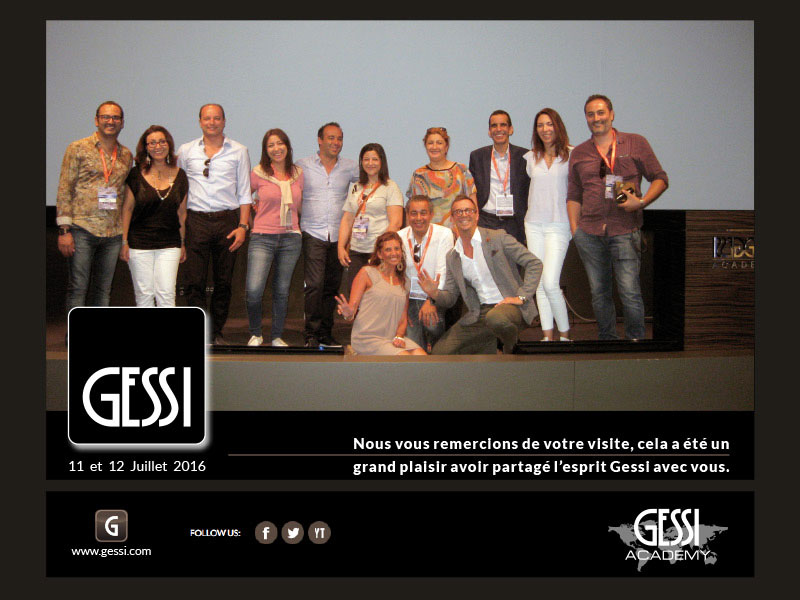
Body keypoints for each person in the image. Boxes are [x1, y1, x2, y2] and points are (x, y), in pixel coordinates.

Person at [567, 94, 669, 340]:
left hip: (624, 230)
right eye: (591, 114)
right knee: (599, 294)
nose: (596, 118)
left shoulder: (635, 143)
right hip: (589, 233)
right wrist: (575, 230)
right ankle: (607, 342)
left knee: (629, 292)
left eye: (601, 112)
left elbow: (660, 178)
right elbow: (573, 195)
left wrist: (642, 202)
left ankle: (635, 342)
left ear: (611, 114)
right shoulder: (579, 153)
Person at [419, 195, 542, 355]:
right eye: (458, 212)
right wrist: (434, 293)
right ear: (452, 219)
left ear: (477, 215)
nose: (464, 214)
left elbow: (534, 263)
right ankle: (491, 346)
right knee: (440, 353)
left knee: (496, 318)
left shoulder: (497, 237)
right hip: (480, 314)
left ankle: (510, 348)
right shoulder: (453, 256)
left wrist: (522, 297)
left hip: (510, 307)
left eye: (468, 210)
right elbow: (450, 298)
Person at [177, 104, 252, 345]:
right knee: (194, 282)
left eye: (217, 118)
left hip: (227, 222)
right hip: (195, 221)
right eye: (207, 118)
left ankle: (216, 332)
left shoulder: (239, 151)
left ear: (224, 121)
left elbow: (244, 192)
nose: (212, 122)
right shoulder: (186, 151)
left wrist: (242, 226)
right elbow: (179, 192)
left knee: (223, 282)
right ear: (200, 121)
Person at [56, 101, 134, 320]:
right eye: (106, 117)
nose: (111, 121)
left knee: (103, 290)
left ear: (122, 123)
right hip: (82, 229)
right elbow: (65, 188)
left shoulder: (126, 155)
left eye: (115, 117)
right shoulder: (77, 148)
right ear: (96, 120)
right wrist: (64, 230)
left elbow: (123, 193)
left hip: (113, 232)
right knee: (78, 287)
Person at [296, 123, 359, 348]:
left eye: (339, 138)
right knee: (314, 285)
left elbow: (371, 182)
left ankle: (325, 333)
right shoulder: (302, 166)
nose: (336, 142)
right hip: (313, 232)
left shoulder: (351, 167)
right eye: (331, 138)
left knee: (332, 286)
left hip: (339, 236)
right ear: (320, 140)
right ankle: (311, 334)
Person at [245, 128, 304, 347]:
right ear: (265, 150)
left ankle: (277, 336)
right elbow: (244, 197)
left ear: (287, 146)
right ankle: (256, 333)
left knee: (281, 291)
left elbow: (300, 205)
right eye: (271, 145)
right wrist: (251, 222)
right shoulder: (258, 173)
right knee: (254, 290)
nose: (276, 148)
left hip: (291, 238)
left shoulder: (298, 174)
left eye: (280, 143)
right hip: (262, 237)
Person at [119, 125, 188, 307]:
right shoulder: (135, 175)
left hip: (170, 244)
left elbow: (182, 213)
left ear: (169, 144)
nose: (158, 146)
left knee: (166, 293)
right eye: (152, 143)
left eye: (162, 141)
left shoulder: (181, 175)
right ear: (146, 147)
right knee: (144, 294)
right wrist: (124, 242)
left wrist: (182, 243)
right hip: (139, 243)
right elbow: (127, 209)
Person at [523, 108, 573, 341]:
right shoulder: (530, 158)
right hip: (533, 225)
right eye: (540, 125)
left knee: (551, 282)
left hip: (559, 225)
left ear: (558, 126)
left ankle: (565, 337)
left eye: (549, 124)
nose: (545, 129)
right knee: (539, 284)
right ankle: (547, 336)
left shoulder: (572, 155)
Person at [336, 232, 426, 356]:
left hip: (391, 338)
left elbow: (402, 318)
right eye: (388, 250)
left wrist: (399, 336)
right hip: (367, 338)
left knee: (421, 356)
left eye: (397, 249)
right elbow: (351, 310)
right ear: (379, 254)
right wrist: (348, 314)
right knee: (404, 357)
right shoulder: (367, 273)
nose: (394, 253)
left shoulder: (405, 282)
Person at [337, 143, 403, 295]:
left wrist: (381, 251)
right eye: (366, 159)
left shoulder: (390, 187)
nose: (370, 163)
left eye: (375, 159)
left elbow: (396, 223)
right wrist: (341, 247)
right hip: (356, 250)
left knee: (377, 295)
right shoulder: (356, 187)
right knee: (355, 294)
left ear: (382, 162)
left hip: (379, 253)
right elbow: (347, 219)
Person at [397, 195, 454, 352]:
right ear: (407, 215)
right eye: (413, 213)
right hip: (410, 298)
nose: (418, 218)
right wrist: (403, 309)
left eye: (423, 213)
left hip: (435, 294)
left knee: (432, 324)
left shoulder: (444, 234)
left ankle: (438, 349)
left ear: (431, 214)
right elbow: (398, 276)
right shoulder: (399, 237)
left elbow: (443, 271)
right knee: (414, 346)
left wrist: (431, 301)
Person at [469, 110, 530, 245]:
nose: (498, 129)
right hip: (486, 221)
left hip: (514, 223)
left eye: (503, 125)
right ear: (489, 131)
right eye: (494, 126)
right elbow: (472, 190)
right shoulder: (477, 156)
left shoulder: (525, 156)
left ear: (511, 129)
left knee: (514, 259)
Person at [406, 127, 477, 228]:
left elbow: (473, 206)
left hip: (458, 232)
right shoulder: (418, 175)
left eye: (439, 143)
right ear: (425, 146)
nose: (434, 147)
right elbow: (411, 210)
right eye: (430, 143)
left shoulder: (461, 171)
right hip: (426, 233)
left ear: (446, 147)